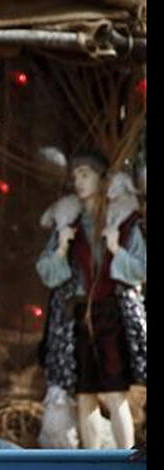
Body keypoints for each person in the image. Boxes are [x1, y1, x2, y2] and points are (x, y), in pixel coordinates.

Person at [36, 153, 146, 449]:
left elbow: (140, 267)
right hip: (79, 314)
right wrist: (61, 248)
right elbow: (46, 272)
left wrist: (115, 249)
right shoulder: (68, 221)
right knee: (84, 395)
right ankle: (92, 460)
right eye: (76, 176)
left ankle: (125, 461)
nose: (79, 181)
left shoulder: (123, 221)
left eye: (85, 174)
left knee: (114, 392)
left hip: (111, 314)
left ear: (101, 178)